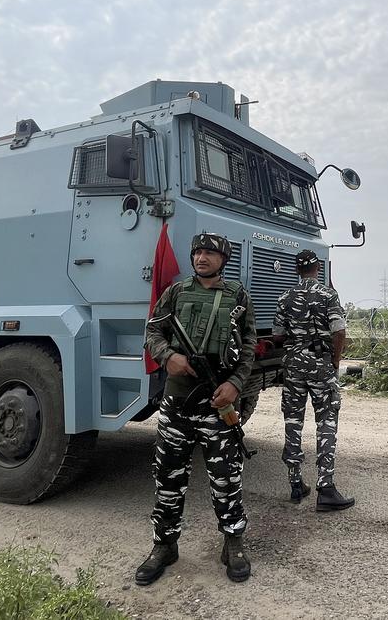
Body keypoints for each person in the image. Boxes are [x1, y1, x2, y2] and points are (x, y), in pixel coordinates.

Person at [135, 233, 257, 586]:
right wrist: (168, 356)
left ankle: (233, 542)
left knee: (226, 477)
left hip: (218, 399)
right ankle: (164, 545)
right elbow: (152, 332)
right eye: (197, 252)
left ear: (223, 259)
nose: (202, 257)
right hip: (177, 402)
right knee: (169, 476)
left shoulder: (238, 296)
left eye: (210, 253)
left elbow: (248, 345)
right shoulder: (175, 292)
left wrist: (235, 383)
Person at [272, 250, 354, 511]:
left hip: (293, 364)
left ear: (296, 269)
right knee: (326, 421)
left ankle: (296, 483)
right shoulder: (328, 294)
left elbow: (277, 335)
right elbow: (339, 330)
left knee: (293, 421)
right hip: (320, 364)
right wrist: (335, 360)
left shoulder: (285, 296)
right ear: (318, 267)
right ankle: (326, 487)